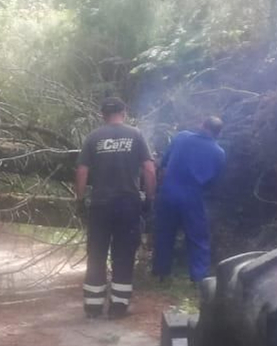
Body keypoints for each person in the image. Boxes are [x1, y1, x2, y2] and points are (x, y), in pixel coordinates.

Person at [75, 97, 156, 319]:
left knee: (97, 254)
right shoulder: (136, 135)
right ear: (124, 112)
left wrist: (80, 199)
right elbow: (149, 169)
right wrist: (150, 197)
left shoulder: (93, 137)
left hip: (100, 205)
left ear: (102, 115)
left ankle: (93, 306)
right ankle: (119, 307)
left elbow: (82, 170)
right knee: (123, 254)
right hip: (128, 204)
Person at [153, 115, 226, 283]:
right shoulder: (218, 152)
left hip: (169, 192)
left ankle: (161, 273)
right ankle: (199, 279)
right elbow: (215, 181)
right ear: (219, 133)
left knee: (164, 233)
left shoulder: (182, 137)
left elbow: (163, 163)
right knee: (198, 238)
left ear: (202, 125)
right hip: (193, 196)